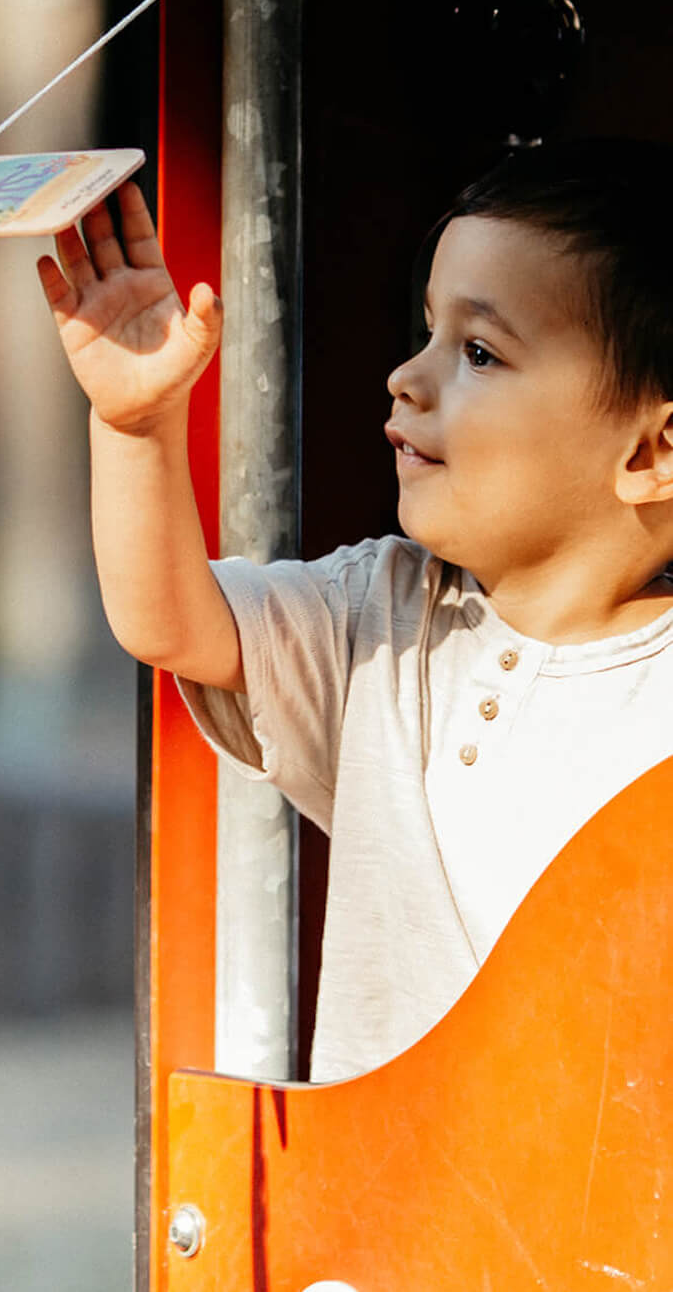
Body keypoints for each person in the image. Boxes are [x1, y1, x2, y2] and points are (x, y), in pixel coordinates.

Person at [40, 142, 673, 1082]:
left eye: (478, 352)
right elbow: (166, 620)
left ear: (648, 451)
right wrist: (134, 426)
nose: (404, 378)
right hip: (384, 1219)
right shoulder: (379, 616)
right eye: (424, 331)